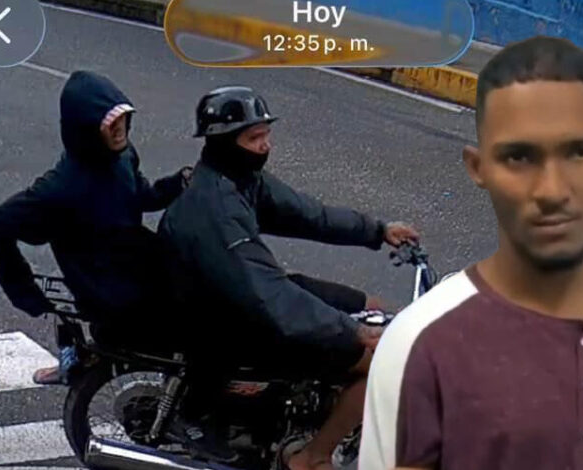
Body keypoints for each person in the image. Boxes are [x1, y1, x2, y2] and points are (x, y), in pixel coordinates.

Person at [359, 36, 583, 470]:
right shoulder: (417, 345)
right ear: (479, 168)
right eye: (520, 157)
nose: (552, 190)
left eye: (580, 152)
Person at [157, 86, 420, 470]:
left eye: (266, 134)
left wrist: (377, 231)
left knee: (371, 306)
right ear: (225, 141)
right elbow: (269, 295)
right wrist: (352, 331)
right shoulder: (215, 208)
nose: (265, 145)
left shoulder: (238, 178)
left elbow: (307, 214)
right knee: (380, 361)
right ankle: (311, 457)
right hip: (226, 318)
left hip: (243, 296)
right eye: (254, 138)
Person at [0, 70, 191, 384]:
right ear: (87, 129)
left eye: (123, 118)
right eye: (110, 123)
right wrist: (26, 294)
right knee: (190, 339)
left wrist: (179, 182)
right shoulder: (61, 186)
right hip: (107, 284)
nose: (119, 129)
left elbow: (142, 196)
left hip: (135, 261)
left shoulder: (123, 156)